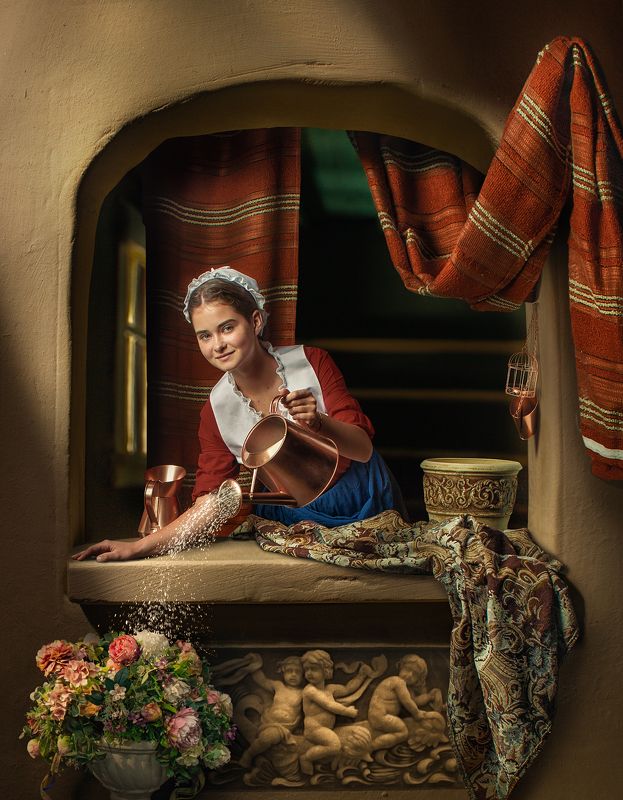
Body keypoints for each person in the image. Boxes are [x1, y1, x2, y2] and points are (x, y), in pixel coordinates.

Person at [73, 267, 403, 562]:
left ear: (255, 321)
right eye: (205, 335)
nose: (217, 344)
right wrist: (138, 547)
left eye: (227, 327)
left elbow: (363, 449)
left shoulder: (311, 362)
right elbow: (212, 501)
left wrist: (319, 423)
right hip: (295, 520)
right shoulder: (216, 409)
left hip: (361, 497)